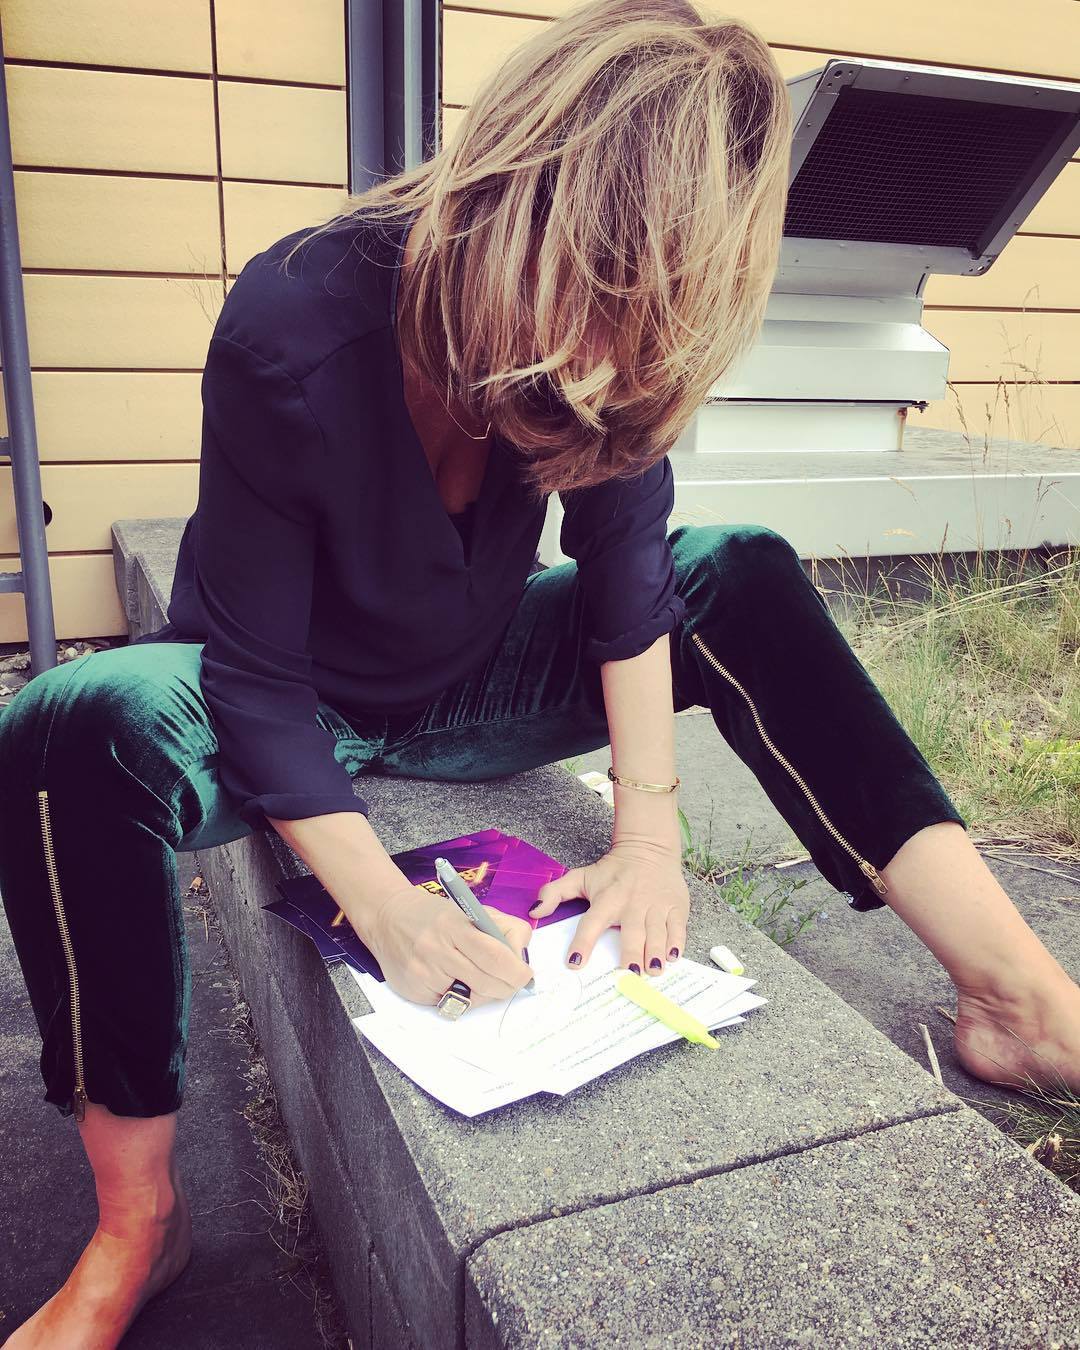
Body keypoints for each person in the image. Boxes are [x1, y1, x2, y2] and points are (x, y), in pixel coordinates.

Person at [2, 0, 1078, 1343]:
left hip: (467, 676)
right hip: (264, 699)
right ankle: (138, 1221)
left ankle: (1019, 1000)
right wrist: (385, 909)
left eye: (645, 341)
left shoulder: (627, 350)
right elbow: (258, 680)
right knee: (65, 724)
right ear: (509, 210)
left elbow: (631, 577)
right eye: (592, 320)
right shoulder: (293, 325)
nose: (602, 370)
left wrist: (648, 835)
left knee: (740, 567)